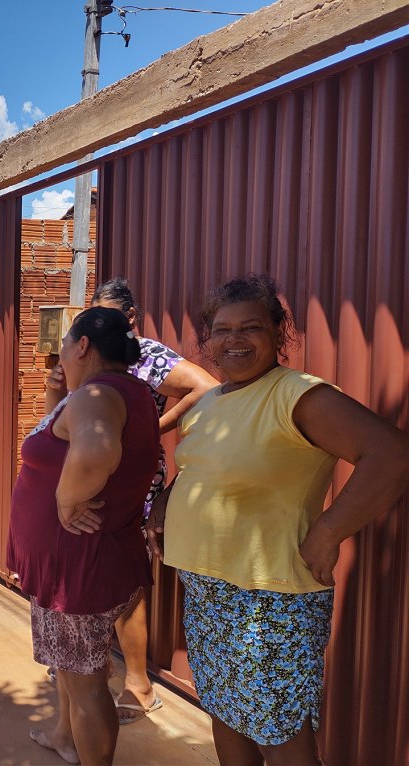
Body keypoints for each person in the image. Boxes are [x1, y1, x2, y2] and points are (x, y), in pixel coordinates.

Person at [147, 275, 409, 764]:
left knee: (278, 727)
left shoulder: (297, 395)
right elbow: (201, 467)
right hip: (209, 588)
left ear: (278, 333)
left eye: (251, 327)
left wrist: (330, 532)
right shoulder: (209, 402)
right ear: (208, 339)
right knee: (225, 710)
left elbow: (390, 455)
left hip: (269, 597)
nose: (234, 340)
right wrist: (166, 502)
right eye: (222, 330)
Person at [7, 307, 160, 765]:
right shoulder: (127, 391)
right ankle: (65, 737)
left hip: (76, 570)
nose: (62, 359)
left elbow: (96, 448)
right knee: (75, 671)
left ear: (83, 346)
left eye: (65, 348)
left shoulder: (97, 392)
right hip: (92, 560)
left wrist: (66, 501)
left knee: (85, 682)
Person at [60, 277, 216, 725]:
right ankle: (96, 664)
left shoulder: (146, 353)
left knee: (125, 583)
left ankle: (139, 685)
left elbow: (205, 387)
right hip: (96, 477)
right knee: (96, 572)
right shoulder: (93, 351)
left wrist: (152, 430)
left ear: (131, 318)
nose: (103, 323)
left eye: (111, 315)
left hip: (129, 482)